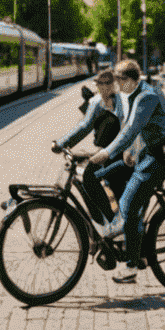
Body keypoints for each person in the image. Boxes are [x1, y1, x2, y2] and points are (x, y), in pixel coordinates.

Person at [86, 59, 165, 284]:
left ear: (130, 79)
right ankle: (116, 232)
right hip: (144, 155)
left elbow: (131, 129)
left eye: (119, 79)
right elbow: (131, 129)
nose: (116, 83)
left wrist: (106, 153)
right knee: (97, 177)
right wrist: (128, 151)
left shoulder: (147, 96)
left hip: (156, 158)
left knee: (128, 204)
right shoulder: (135, 94)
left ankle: (132, 266)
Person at [52, 68, 129, 223]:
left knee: (90, 177)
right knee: (114, 186)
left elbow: (84, 127)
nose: (99, 88)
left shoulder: (104, 101)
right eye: (98, 84)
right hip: (120, 151)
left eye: (101, 84)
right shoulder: (116, 99)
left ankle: (111, 221)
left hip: (120, 153)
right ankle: (116, 221)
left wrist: (61, 144)